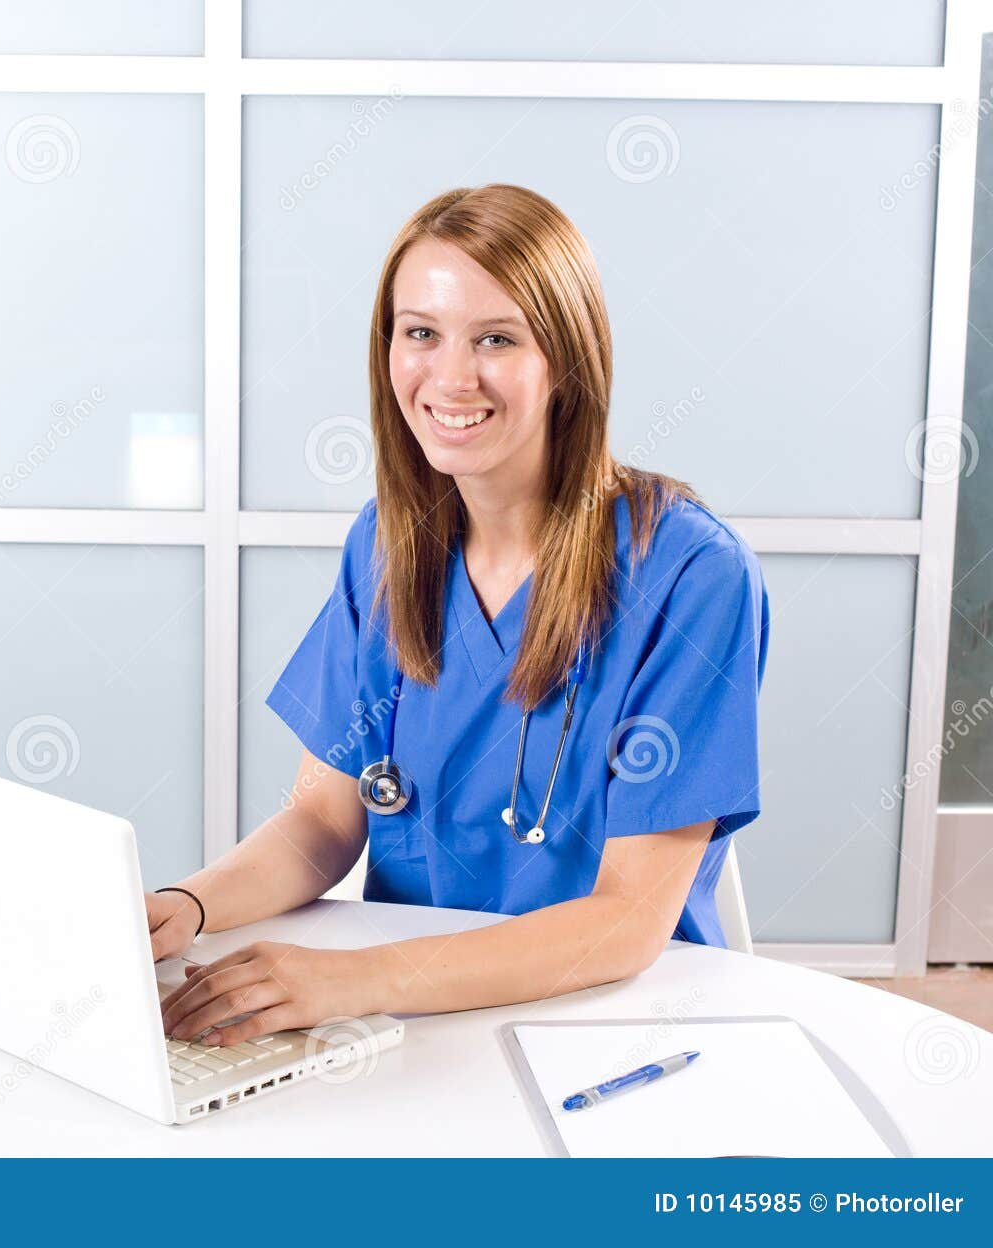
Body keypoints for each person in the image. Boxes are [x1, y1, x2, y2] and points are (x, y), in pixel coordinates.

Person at [154, 184, 770, 1048]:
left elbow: (628, 919)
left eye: (496, 338)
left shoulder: (689, 574)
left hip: (605, 1021)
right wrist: (186, 904)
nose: (450, 377)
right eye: (421, 333)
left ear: (568, 362)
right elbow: (325, 821)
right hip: (411, 1019)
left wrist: (353, 981)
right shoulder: (388, 547)